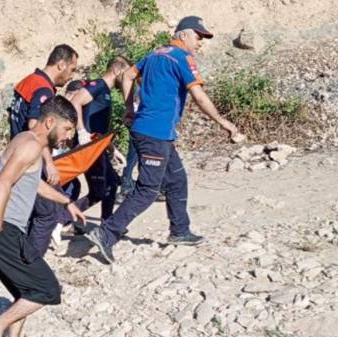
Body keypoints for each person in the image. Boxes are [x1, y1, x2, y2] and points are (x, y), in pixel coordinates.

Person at [86, 16, 244, 264]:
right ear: (183, 35)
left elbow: (127, 76)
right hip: (154, 134)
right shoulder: (182, 59)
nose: (200, 42)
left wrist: (129, 107)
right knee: (148, 190)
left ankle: (180, 230)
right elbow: (199, 97)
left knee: (177, 179)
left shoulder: (155, 54)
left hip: (155, 132)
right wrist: (224, 122)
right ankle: (106, 233)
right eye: (198, 36)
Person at [0, 96, 85, 337]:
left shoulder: (26, 140)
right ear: (50, 121)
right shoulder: (31, 146)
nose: (68, 136)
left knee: (25, 291)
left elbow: (33, 183)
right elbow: (3, 183)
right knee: (47, 290)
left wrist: (66, 201)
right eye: (67, 129)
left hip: (8, 229)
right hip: (4, 230)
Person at [9, 44, 79, 257]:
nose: (71, 76)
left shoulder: (28, 81)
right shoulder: (43, 88)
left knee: (33, 209)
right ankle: (31, 263)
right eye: (72, 69)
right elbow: (35, 127)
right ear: (61, 64)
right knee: (49, 211)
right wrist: (49, 163)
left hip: (18, 153)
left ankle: (23, 253)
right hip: (31, 157)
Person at [56, 56, 131, 234]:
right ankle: (60, 221)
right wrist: (81, 131)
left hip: (98, 147)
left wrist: (113, 149)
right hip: (89, 148)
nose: (128, 80)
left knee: (112, 183)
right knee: (98, 191)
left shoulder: (105, 91)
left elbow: (99, 126)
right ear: (118, 70)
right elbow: (75, 102)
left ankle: (106, 224)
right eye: (127, 75)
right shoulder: (97, 85)